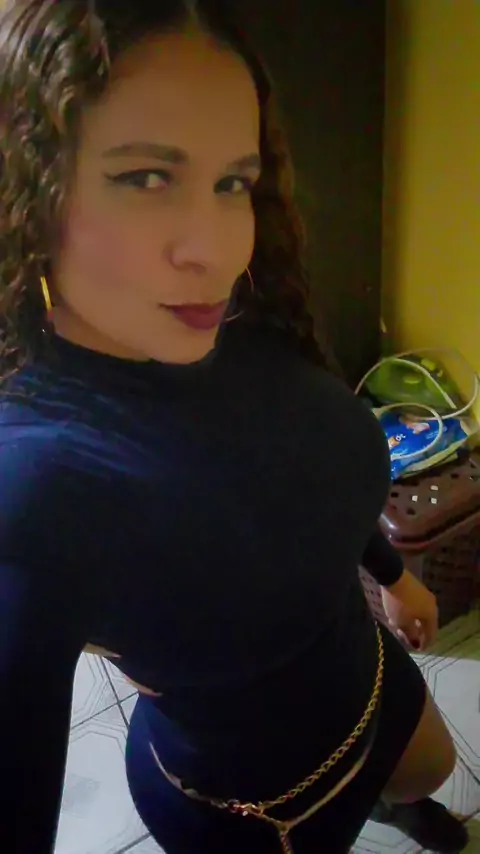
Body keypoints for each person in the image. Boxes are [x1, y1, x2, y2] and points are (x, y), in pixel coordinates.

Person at [0, 2, 470, 853]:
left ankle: (399, 809)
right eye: (148, 177)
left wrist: (393, 576)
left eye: (232, 183)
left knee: (427, 776)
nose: (215, 249)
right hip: (252, 810)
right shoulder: (36, 480)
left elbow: (303, 479)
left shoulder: (234, 317)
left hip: (367, 678)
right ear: (29, 189)